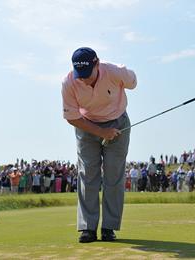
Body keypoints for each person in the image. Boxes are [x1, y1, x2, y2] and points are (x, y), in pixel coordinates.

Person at [62, 47, 136, 243]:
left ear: (97, 63)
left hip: (118, 122)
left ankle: (109, 228)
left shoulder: (113, 71)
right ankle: (87, 228)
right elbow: (72, 117)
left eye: (88, 74)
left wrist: (125, 79)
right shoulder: (69, 82)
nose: (84, 79)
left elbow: (133, 82)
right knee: (88, 174)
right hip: (86, 125)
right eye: (81, 75)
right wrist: (102, 132)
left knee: (113, 175)